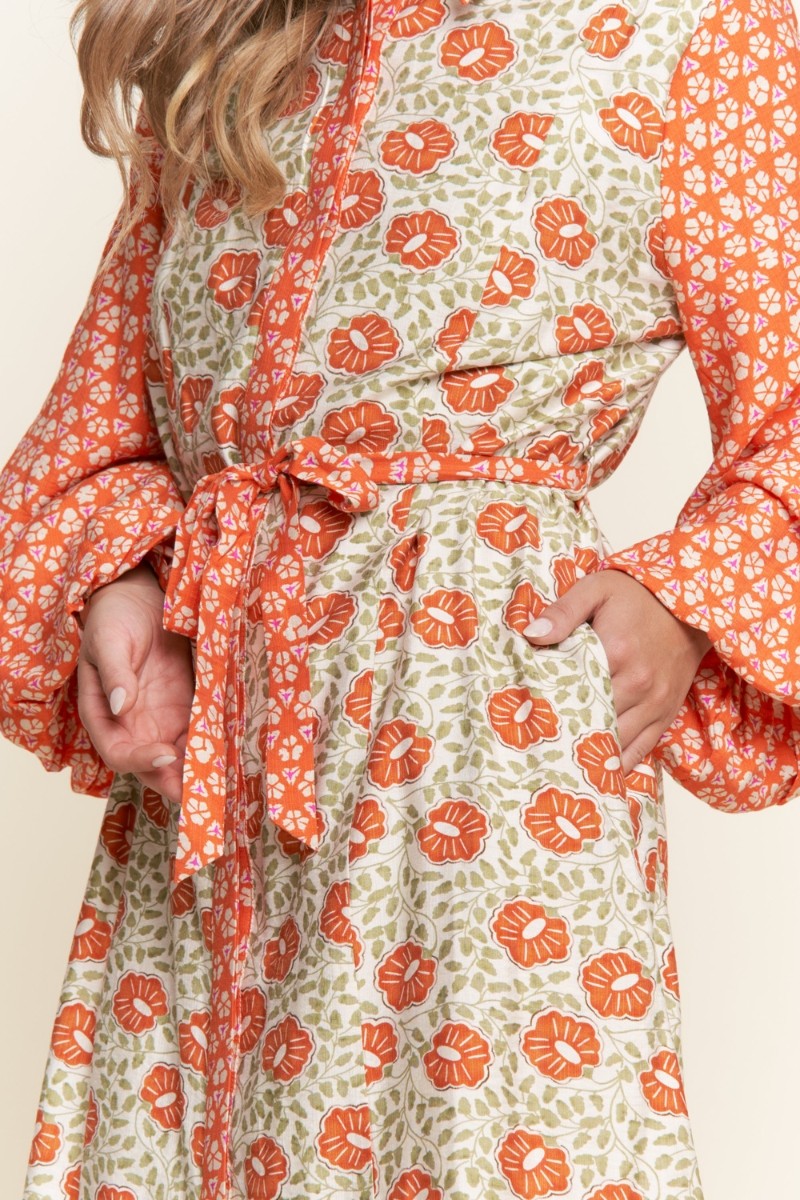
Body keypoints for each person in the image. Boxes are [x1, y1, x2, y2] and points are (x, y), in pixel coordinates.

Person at [4, 0, 800, 1197]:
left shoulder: (691, 34)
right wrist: (118, 580)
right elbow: (90, 448)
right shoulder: (225, 62)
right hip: (214, 796)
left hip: (480, 763)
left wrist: (681, 600)